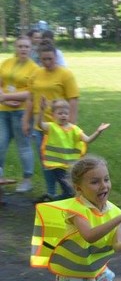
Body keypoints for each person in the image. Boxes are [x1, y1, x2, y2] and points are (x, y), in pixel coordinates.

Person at [21, 41, 80, 202]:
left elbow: (73, 100)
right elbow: (30, 99)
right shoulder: (36, 74)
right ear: (39, 58)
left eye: (50, 59)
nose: (47, 62)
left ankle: (68, 192)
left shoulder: (65, 74)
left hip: (60, 127)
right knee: (46, 162)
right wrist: (26, 120)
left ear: (56, 57)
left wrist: (71, 124)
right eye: (44, 59)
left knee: (63, 162)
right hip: (41, 126)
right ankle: (51, 193)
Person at [35, 99, 109, 199]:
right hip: (56, 166)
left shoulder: (75, 129)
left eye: (66, 113)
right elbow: (39, 124)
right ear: (53, 115)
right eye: (60, 113)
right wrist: (41, 110)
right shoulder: (51, 127)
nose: (63, 116)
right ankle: (52, 200)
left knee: (70, 192)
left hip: (70, 167)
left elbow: (87, 140)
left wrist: (98, 132)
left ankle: (52, 199)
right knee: (70, 192)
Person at [0, 36, 38, 193]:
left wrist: (6, 97)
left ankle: (27, 180)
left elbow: (31, 92)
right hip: (3, 110)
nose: (23, 49)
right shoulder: (6, 63)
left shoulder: (34, 68)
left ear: (31, 49)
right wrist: (5, 99)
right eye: (20, 46)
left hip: (22, 112)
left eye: (26, 47)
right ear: (15, 47)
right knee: (0, 143)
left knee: (23, 146)